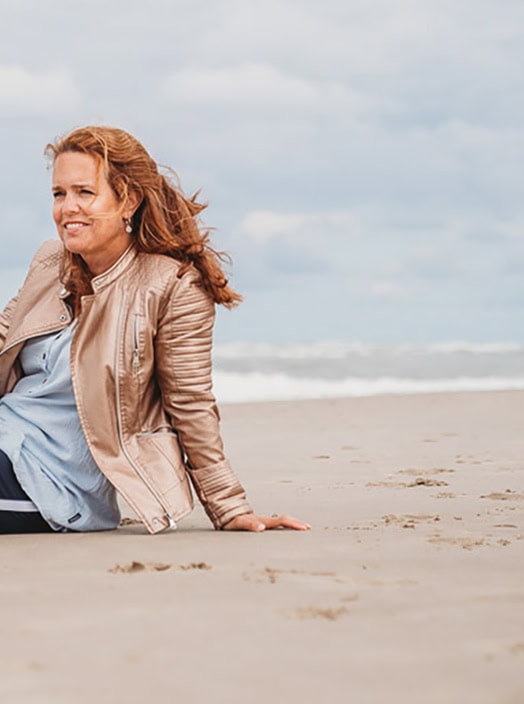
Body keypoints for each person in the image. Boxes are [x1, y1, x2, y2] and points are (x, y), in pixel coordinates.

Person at [0, 125, 310, 535]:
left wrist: (228, 506)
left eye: (85, 192)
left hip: (50, 480)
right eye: (59, 194)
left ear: (128, 200)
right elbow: (5, 335)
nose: (67, 208)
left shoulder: (172, 286)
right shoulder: (51, 261)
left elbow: (190, 402)